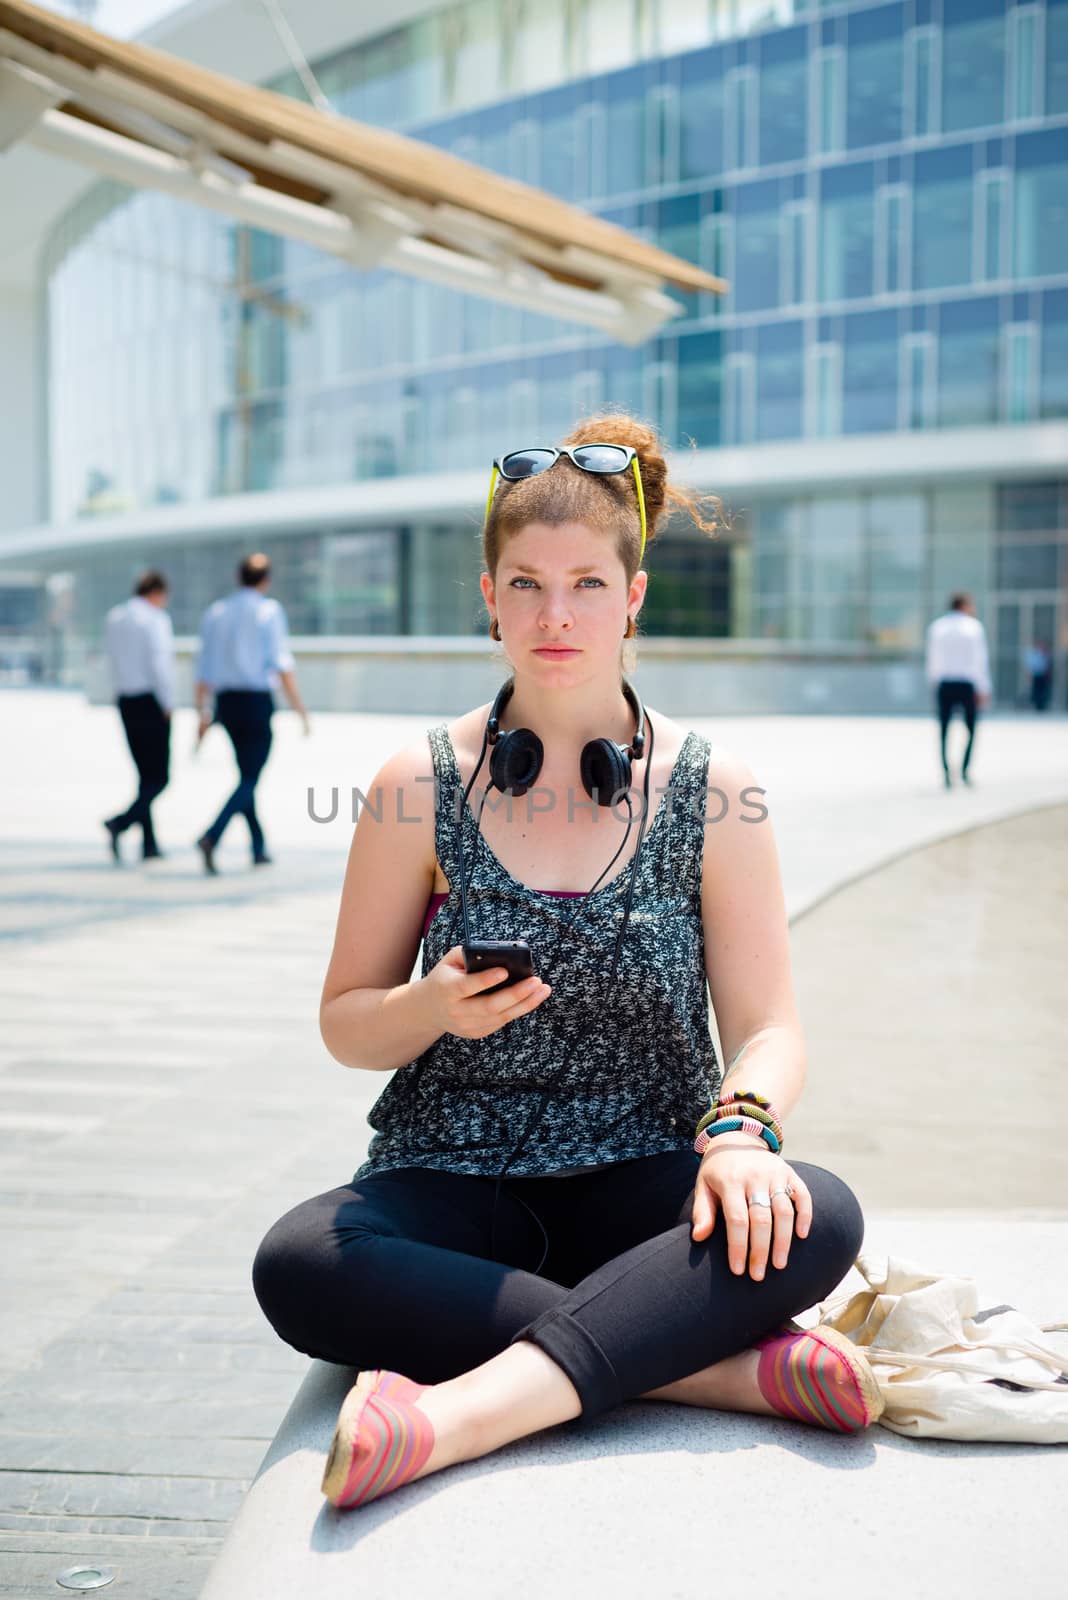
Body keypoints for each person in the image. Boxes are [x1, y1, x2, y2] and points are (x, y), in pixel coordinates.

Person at [251, 416, 881, 1513]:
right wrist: (432, 1005)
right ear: (487, 597)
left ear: (632, 599)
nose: (556, 614)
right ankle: (701, 1360)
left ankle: (448, 1418)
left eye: (588, 583)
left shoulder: (712, 787)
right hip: (450, 1175)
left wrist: (739, 1133)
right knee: (299, 1259)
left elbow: (770, 1025)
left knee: (815, 1211)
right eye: (527, 583)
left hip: (644, 1174)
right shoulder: (417, 781)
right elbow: (348, 1023)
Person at [193, 552, 310, 874]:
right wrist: (300, 710)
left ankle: (258, 848)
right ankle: (212, 835)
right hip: (256, 702)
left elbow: (203, 668)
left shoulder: (216, 612)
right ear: (266, 580)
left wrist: (202, 711)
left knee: (246, 774)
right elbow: (282, 663)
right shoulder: (268, 611)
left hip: (226, 704)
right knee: (250, 777)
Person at [103, 569, 174, 862]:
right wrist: (168, 703)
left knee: (144, 775)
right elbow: (160, 663)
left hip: (125, 700)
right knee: (159, 777)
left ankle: (149, 843)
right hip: (150, 701)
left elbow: (111, 658)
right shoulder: (154, 619)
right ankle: (120, 822)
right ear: (157, 592)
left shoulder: (115, 617)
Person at [925, 592, 992, 788]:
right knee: (970, 729)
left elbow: (933, 661)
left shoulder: (937, 628)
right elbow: (979, 661)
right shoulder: (973, 628)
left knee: (944, 730)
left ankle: (946, 772)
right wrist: (983, 687)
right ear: (964, 605)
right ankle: (964, 770)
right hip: (966, 684)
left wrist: (934, 683)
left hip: (944, 683)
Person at [1025, 640, 1053, 712]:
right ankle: (1037, 705)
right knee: (1036, 690)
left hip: (1043, 675)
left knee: (1042, 691)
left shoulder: (1045, 653)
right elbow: (1031, 664)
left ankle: (1042, 705)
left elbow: (1047, 665)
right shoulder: (1034, 654)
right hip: (1036, 675)